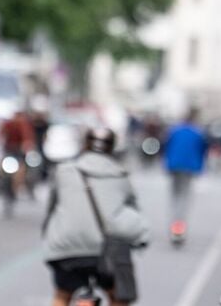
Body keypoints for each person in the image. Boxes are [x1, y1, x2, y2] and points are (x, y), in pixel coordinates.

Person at [43, 127, 149, 306]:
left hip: (66, 249)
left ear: (85, 144)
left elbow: (51, 208)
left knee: (62, 295)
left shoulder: (63, 171)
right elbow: (134, 212)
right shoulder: (120, 175)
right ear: (112, 147)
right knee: (119, 297)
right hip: (108, 251)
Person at [162, 109, 208, 245]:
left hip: (174, 166)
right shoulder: (198, 133)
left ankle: (175, 227)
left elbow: (166, 146)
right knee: (184, 198)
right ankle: (179, 229)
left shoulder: (174, 130)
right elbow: (203, 150)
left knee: (175, 197)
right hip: (189, 168)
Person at [0, 109, 36, 213]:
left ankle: (19, 187)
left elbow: (28, 138)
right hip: (9, 151)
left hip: (19, 153)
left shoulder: (24, 125)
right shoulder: (7, 124)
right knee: (3, 171)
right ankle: (4, 188)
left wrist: (27, 146)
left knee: (21, 171)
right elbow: (0, 135)